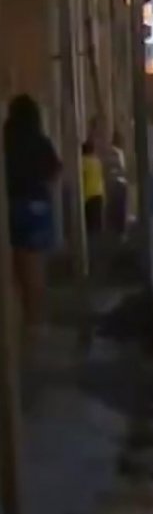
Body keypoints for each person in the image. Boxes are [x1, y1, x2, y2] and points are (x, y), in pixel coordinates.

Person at [4, 94, 62, 344]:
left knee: (13, 269)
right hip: (37, 205)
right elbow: (55, 170)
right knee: (36, 268)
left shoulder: (7, 138)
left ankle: (16, 324)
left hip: (12, 205)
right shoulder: (41, 141)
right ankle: (35, 324)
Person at [81, 139, 105, 235]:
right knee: (97, 223)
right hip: (99, 193)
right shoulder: (97, 161)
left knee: (89, 225)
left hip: (88, 195)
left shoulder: (83, 162)